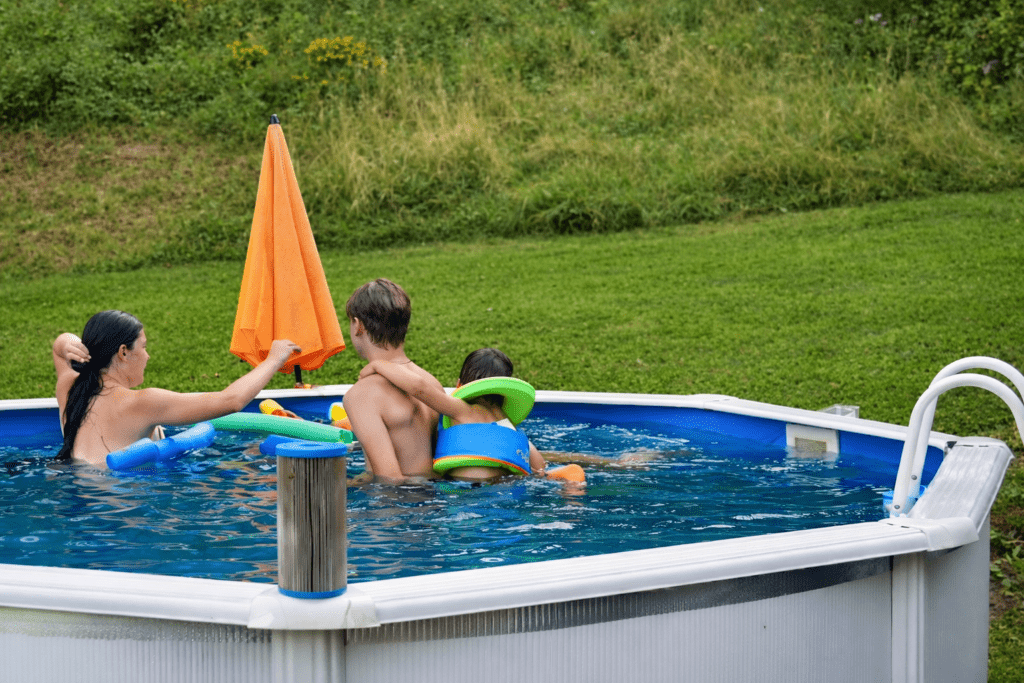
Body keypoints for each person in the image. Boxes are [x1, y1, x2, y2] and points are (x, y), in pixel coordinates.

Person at [53, 310, 300, 467]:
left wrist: (68, 343)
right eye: (144, 347)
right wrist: (274, 359)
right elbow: (231, 401)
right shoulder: (143, 402)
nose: (148, 356)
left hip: (76, 492)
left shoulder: (70, 387)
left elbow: (59, 347)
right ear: (123, 352)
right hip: (120, 506)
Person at [360, 347, 549, 482]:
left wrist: (378, 365)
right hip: (502, 486)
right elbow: (537, 465)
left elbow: (419, 388)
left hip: (463, 489)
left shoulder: (461, 409)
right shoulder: (508, 426)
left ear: (460, 385)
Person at [342, 279, 441, 483]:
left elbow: (389, 479)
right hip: (432, 497)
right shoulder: (430, 383)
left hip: (397, 506)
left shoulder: (362, 395)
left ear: (358, 326)